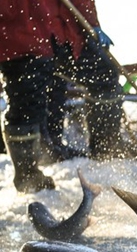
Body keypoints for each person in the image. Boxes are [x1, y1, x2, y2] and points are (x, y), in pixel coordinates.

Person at [46, 0, 133, 161]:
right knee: (47, 86)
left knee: (106, 74)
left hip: (71, 33)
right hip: (44, 33)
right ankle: (49, 148)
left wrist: (92, 25)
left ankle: (106, 145)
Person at [1, 0, 59, 192]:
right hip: (16, 40)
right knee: (24, 108)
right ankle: (26, 175)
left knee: (32, 105)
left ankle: (31, 169)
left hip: (34, 38)